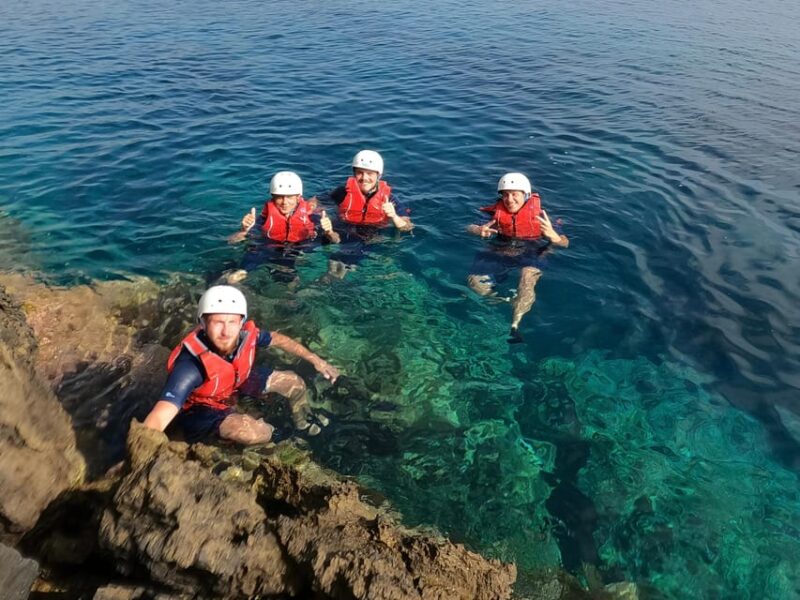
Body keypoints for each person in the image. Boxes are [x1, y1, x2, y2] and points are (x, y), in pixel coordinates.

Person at [143, 285, 340, 444]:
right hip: (203, 408)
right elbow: (161, 414)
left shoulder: (245, 335)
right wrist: (142, 451)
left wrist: (316, 360)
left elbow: (278, 339)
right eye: (218, 322)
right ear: (203, 323)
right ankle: (277, 437)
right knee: (254, 432)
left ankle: (302, 424)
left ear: (241, 322)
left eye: (232, 322)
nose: (226, 332)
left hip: (235, 382)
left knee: (294, 382)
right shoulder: (190, 367)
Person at [467, 172, 569, 343]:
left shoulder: (541, 217)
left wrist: (555, 237)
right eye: (506, 195)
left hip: (532, 252)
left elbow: (565, 243)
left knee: (528, 277)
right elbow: (470, 226)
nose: (510, 199)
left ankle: (515, 324)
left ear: (526, 195)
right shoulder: (494, 214)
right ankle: (504, 300)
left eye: (515, 194)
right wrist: (478, 231)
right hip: (502, 249)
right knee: (475, 283)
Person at [312, 150, 413, 278]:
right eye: (360, 173)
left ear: (378, 175)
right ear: (354, 174)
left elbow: (407, 227)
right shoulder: (343, 192)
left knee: (343, 261)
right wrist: (313, 212)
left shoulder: (390, 200)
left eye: (370, 173)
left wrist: (393, 216)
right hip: (342, 226)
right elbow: (315, 201)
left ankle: (328, 282)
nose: (364, 178)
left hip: (368, 234)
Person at [226, 171, 340, 283]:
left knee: (288, 283)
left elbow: (336, 240)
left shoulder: (312, 218)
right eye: (280, 197)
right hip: (269, 246)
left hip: (299, 248)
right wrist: (243, 231)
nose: (285, 202)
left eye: (289, 197)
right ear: (273, 197)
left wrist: (329, 232)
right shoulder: (263, 220)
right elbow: (231, 241)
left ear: (298, 197)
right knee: (238, 274)